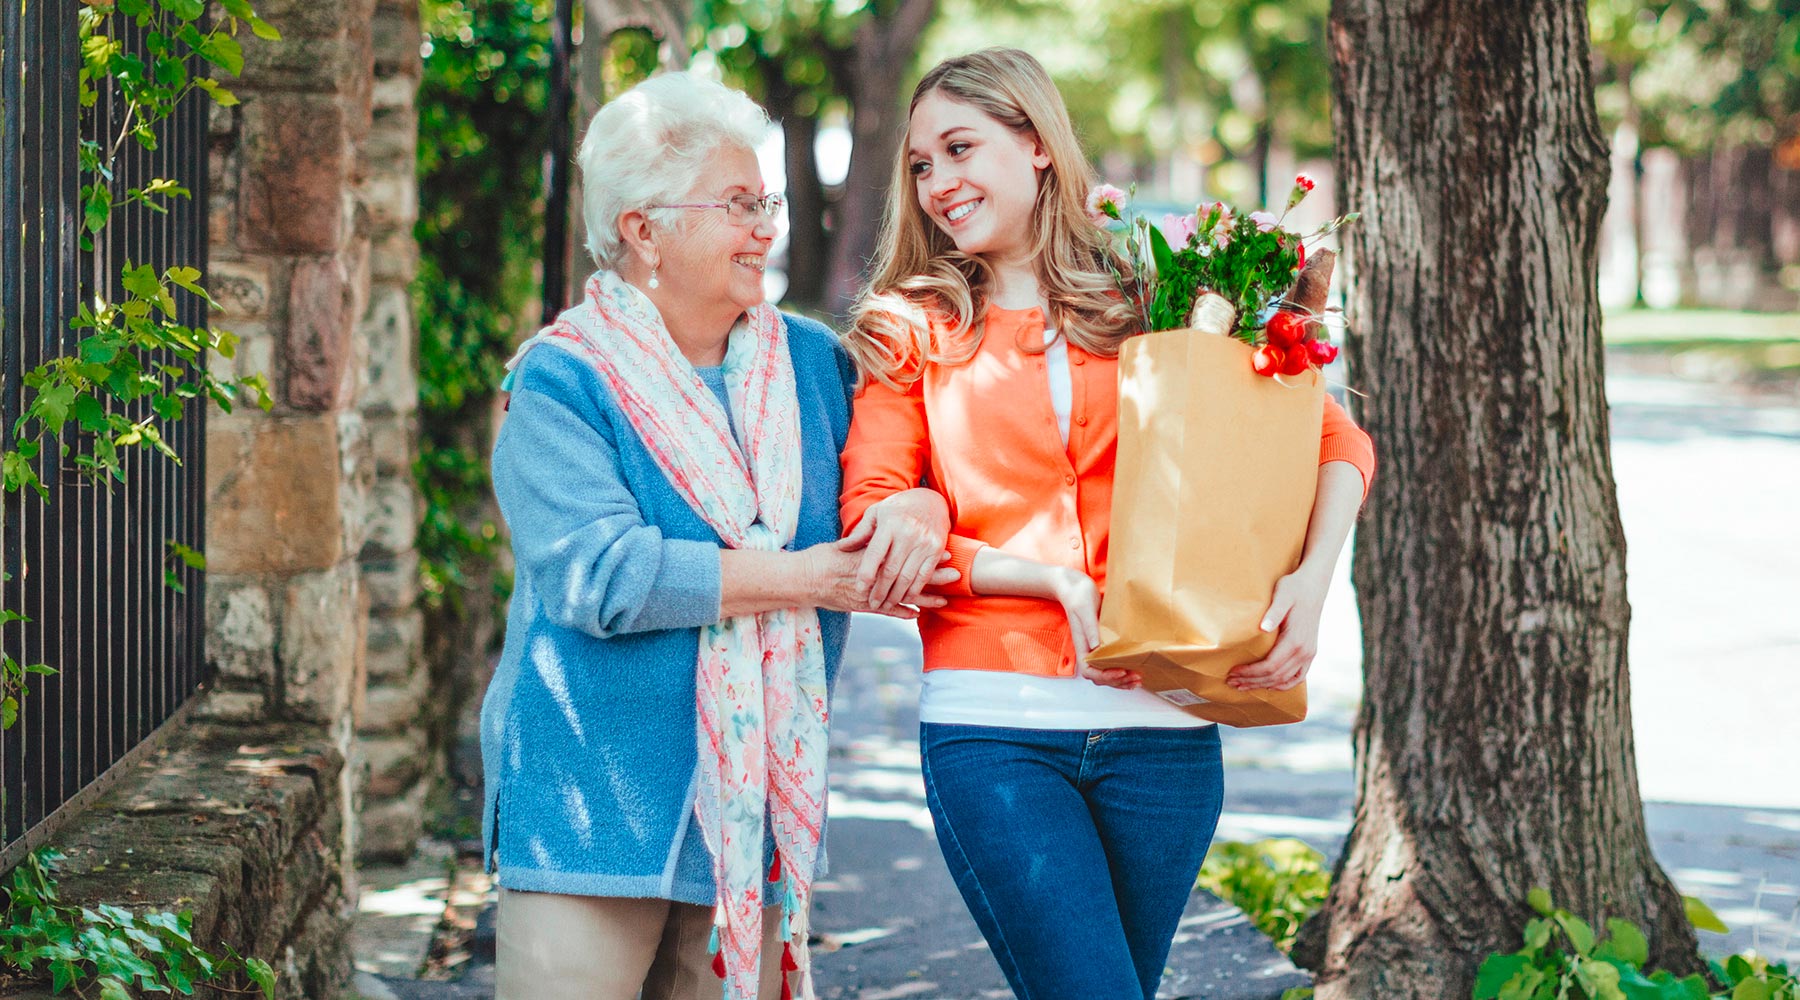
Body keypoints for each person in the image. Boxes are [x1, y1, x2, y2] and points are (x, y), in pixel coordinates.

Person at [838, 48, 1377, 1000]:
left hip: (1167, 729)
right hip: (994, 728)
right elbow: (874, 527)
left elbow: (1331, 437)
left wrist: (1311, 580)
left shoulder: (1156, 294)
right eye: (920, 165)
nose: (938, 184)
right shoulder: (912, 326)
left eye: (960, 149)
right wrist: (1050, 582)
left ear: (1038, 145)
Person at [480, 70, 953, 1000]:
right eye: (739, 204)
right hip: (594, 812)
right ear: (643, 229)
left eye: (767, 200)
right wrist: (803, 579)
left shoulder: (816, 367)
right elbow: (600, 576)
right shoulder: (560, 381)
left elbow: (910, 470)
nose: (767, 226)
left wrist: (921, 505)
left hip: (755, 815)